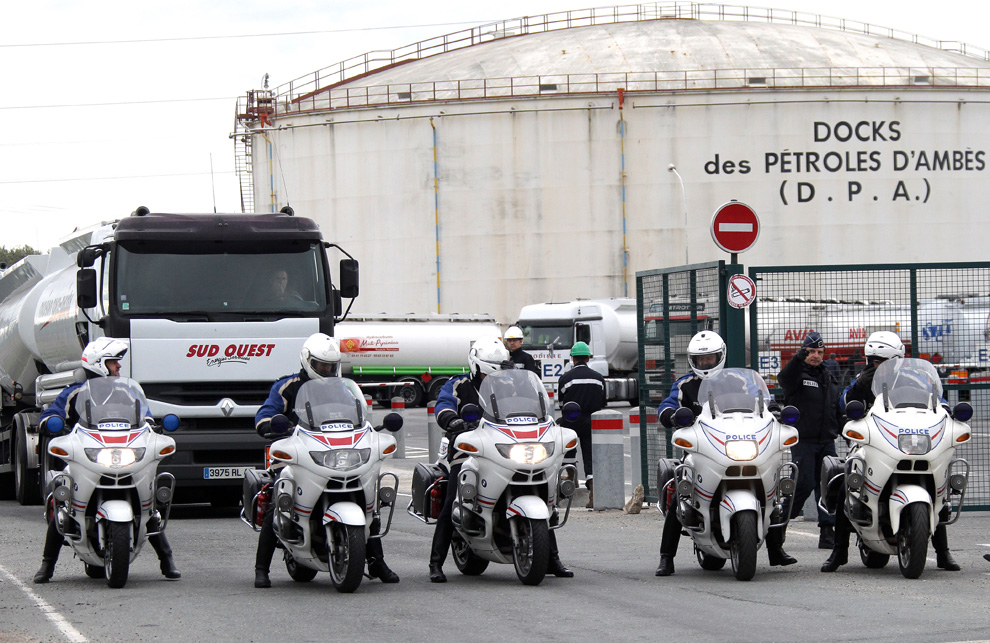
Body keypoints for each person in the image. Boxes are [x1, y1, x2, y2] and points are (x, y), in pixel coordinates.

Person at [253, 333, 399, 588]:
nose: (327, 370)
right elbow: (265, 415)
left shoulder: (341, 388)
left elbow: (358, 413)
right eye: (322, 365)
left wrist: (369, 430)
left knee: (368, 503)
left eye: (331, 366)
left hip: (334, 452)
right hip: (296, 452)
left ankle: (377, 561)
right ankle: (261, 568)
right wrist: (273, 425)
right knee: (278, 500)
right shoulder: (287, 386)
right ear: (309, 361)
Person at [33, 338, 181, 583]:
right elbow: (52, 413)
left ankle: (167, 559)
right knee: (61, 503)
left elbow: (145, 416)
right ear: (99, 364)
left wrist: (152, 426)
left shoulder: (128, 391)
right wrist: (50, 422)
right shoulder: (75, 392)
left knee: (148, 503)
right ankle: (47, 565)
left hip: (122, 451)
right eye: (114, 363)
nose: (118, 368)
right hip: (86, 454)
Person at [428, 335, 574, 582]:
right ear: (476, 367)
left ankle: (552, 558)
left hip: (507, 446)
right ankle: (435, 563)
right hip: (470, 449)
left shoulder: (512, 385)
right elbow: (443, 406)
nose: (494, 376)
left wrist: (545, 419)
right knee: (453, 498)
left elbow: (531, 405)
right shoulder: (458, 384)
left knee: (543, 496)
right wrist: (452, 420)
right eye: (488, 372)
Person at [655, 331, 795, 577]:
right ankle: (666, 558)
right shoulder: (684, 384)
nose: (706, 364)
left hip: (736, 440)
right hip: (702, 448)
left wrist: (774, 408)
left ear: (720, 356)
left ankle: (776, 549)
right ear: (693, 361)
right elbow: (666, 405)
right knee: (681, 496)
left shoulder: (736, 380)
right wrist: (672, 415)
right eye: (701, 360)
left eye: (710, 358)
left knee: (772, 488)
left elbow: (762, 397)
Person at [823, 331, 960, 572]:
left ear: (897, 359)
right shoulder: (861, 379)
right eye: (872, 360)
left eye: (882, 361)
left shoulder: (916, 378)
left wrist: (947, 414)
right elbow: (845, 403)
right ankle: (839, 551)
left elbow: (939, 401)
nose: (876, 365)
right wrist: (858, 387)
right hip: (874, 440)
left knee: (939, 488)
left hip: (911, 439)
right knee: (850, 482)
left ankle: (943, 553)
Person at [777, 331, 840, 549]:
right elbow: (783, 379)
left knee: (828, 486)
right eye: (811, 351)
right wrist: (797, 357)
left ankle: (827, 531)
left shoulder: (828, 376)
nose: (815, 355)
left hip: (826, 441)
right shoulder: (797, 375)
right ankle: (779, 524)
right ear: (804, 352)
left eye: (819, 352)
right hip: (803, 441)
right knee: (802, 485)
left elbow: (834, 407)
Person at [555, 341, 606, 507]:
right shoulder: (599, 379)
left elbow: (562, 405)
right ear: (588, 358)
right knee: (590, 456)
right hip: (592, 421)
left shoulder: (565, 379)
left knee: (568, 452)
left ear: (573, 359)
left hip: (571, 422)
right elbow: (603, 403)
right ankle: (594, 494)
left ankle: (568, 483)